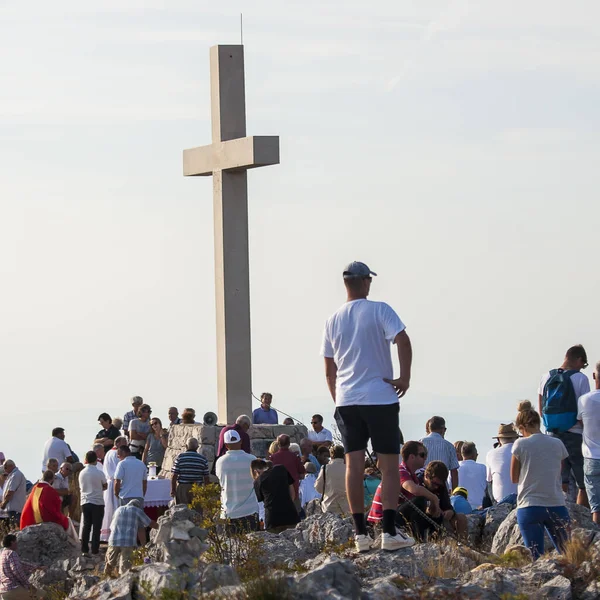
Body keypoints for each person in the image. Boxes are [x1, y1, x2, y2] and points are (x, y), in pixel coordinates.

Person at [321, 261, 413, 552]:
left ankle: (360, 534)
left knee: (354, 466)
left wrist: (339, 399)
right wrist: (404, 378)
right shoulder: (379, 309)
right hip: (380, 397)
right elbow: (403, 339)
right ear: (364, 282)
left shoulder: (333, 319)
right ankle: (388, 531)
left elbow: (329, 368)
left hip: (347, 399)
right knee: (388, 467)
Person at [511, 400, 570, 560]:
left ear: (521, 428)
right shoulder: (557, 443)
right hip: (556, 504)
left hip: (529, 505)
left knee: (535, 557)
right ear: (538, 423)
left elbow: (514, 477)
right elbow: (560, 470)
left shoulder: (520, 444)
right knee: (568, 555)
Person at [538, 344, 590, 507]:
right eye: (584, 364)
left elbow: (541, 409)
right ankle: (582, 516)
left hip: (552, 433)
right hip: (575, 434)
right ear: (578, 359)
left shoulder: (546, 376)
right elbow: (584, 411)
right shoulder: (580, 379)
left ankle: (561, 515)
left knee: (560, 479)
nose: (583, 368)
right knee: (583, 483)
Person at [368, 441, 427, 543]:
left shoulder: (411, 475)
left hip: (385, 518)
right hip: (383, 521)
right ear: (412, 457)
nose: (425, 458)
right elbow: (414, 490)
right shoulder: (401, 471)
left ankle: (418, 538)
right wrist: (433, 498)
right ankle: (419, 541)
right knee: (419, 500)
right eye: (422, 455)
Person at [215, 429, 258, 533]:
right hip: (250, 510)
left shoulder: (220, 462)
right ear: (241, 441)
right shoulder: (252, 459)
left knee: (232, 546)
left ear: (226, 445)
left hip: (229, 511)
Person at [105, 499, 157, 577]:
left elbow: (112, 525)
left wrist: (143, 545)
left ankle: (105, 577)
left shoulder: (118, 509)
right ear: (138, 506)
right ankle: (122, 583)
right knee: (125, 568)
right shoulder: (137, 511)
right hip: (128, 542)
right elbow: (150, 523)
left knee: (110, 563)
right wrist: (161, 526)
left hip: (113, 540)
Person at [421, 461, 467, 540]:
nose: (436, 487)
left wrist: (450, 511)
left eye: (439, 485)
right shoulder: (417, 483)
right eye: (434, 483)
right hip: (422, 521)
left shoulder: (440, 486)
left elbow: (447, 505)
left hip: (439, 519)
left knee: (461, 518)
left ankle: (462, 544)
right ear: (427, 476)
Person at [578, 360, 600, 524]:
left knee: (596, 508)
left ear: (594, 376)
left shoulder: (584, 400)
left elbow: (580, 422)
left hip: (592, 457)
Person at [252, 459, 299, 532]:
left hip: (272, 520)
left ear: (255, 471)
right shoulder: (281, 468)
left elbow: (261, 504)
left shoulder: (258, 481)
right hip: (291, 515)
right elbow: (292, 493)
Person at [79, 450, 107, 556]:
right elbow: (105, 485)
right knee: (96, 527)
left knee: (86, 526)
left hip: (85, 501)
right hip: (97, 501)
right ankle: (95, 549)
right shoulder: (99, 472)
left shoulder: (82, 473)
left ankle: (84, 549)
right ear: (95, 460)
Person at [100, 437, 127, 542]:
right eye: (124, 443)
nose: (126, 446)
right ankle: (116, 533)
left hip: (109, 482)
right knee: (116, 508)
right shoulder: (117, 454)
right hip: (115, 482)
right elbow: (119, 471)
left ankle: (107, 535)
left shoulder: (108, 453)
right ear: (119, 443)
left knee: (109, 508)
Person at [420, 416, 459, 489]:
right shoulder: (449, 446)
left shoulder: (420, 443)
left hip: (423, 485)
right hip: (442, 487)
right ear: (442, 429)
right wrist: (454, 493)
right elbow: (454, 472)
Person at [270, 435, 306, 513]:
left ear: (278, 444)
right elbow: (302, 474)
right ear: (289, 443)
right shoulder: (295, 457)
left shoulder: (272, 458)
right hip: (294, 494)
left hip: (278, 494)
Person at [486, 424, 519, 504]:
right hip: (521, 499)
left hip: (500, 502)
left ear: (498, 440)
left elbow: (489, 480)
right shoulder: (523, 451)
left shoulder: (491, 454)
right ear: (517, 438)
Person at [170, 438, 210, 505]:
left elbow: (174, 475)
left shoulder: (180, 457)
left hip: (183, 488)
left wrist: (173, 490)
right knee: (197, 512)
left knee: (182, 511)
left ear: (186, 446)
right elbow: (206, 478)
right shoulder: (203, 459)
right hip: (197, 488)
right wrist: (206, 492)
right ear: (197, 447)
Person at [0, 534, 39, 599]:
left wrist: (36, 567)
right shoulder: (11, 553)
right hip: (13, 589)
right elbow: (17, 570)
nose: (17, 543)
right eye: (16, 541)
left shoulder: (2, 555)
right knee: (40, 595)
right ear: (12, 542)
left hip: (3, 591)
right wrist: (28, 585)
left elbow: (20, 564)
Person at [314, 445, 349, 515]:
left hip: (329, 507)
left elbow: (318, 488)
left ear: (331, 455)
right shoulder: (349, 468)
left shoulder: (325, 468)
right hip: (347, 507)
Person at [457, 442, 487, 510]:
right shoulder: (483, 468)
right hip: (480, 506)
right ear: (473, 455)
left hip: (461, 506)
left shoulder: (455, 469)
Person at [0, 461, 27, 527]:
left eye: (5, 468)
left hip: (15, 510)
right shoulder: (13, 475)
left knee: (15, 530)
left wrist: (4, 503)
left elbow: (10, 491)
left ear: (11, 466)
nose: (5, 470)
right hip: (13, 510)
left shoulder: (16, 475)